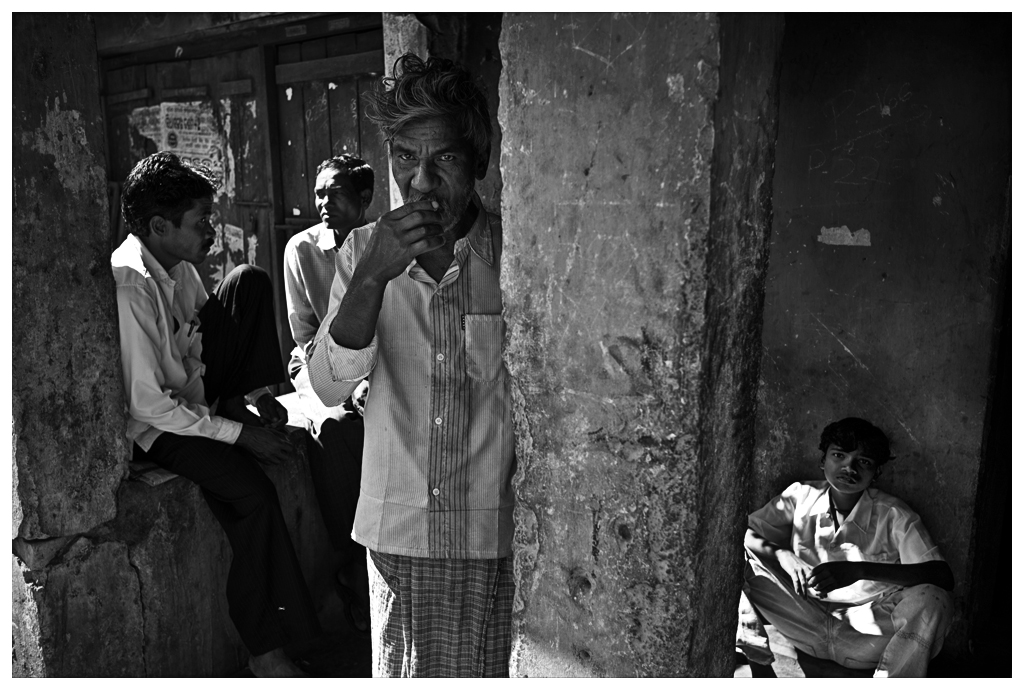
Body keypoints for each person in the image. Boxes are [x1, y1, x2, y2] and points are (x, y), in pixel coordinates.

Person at [306, 53, 515, 677]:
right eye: (404, 158)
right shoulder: (361, 251)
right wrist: (373, 274)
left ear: (478, 162)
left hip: (493, 537)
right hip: (400, 541)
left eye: (443, 158)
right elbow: (327, 386)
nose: (420, 182)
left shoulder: (516, 253)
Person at [112, 151, 319, 677]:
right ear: (159, 226)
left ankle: (239, 402)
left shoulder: (179, 268)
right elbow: (147, 405)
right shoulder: (131, 284)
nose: (210, 230)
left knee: (248, 279)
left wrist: (251, 396)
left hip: (196, 397)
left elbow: (205, 340)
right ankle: (265, 650)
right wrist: (239, 436)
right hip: (159, 427)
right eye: (201, 220)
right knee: (253, 494)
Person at [740, 417, 954, 677]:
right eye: (839, 455)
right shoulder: (800, 495)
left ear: (876, 473)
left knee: (934, 599)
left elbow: (942, 576)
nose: (849, 467)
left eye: (863, 462)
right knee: (738, 559)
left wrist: (859, 570)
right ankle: (761, 669)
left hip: (866, 636)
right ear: (823, 461)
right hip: (804, 621)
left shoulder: (894, 514)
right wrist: (782, 554)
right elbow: (742, 534)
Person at [283, 154, 375, 632]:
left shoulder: (380, 244)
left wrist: (366, 379)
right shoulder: (301, 250)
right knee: (334, 430)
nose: (323, 202)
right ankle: (355, 564)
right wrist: (348, 386)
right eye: (319, 192)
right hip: (318, 364)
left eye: (335, 192)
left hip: (372, 363)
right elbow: (304, 334)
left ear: (365, 198)